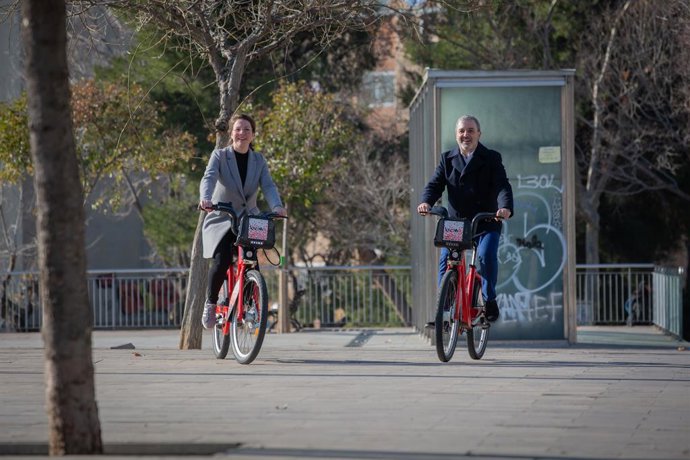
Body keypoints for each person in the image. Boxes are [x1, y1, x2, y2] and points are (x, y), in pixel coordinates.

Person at [417, 115, 513, 322]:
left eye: (470, 130)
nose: (465, 135)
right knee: (446, 260)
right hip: (457, 223)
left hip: (486, 221)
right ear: (456, 134)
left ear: (479, 134)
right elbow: (435, 185)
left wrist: (504, 207)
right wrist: (426, 202)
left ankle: (489, 300)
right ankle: (445, 308)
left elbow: (502, 185)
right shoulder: (447, 158)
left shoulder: (491, 158)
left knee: (486, 256)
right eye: (462, 131)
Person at [199, 113, 287, 329]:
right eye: (238, 129)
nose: (242, 133)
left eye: (247, 129)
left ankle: (249, 304)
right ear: (231, 133)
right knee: (221, 259)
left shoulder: (259, 160)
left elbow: (268, 185)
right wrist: (206, 198)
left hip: (249, 219)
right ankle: (211, 303)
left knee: (252, 263)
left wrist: (276, 206)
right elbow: (208, 178)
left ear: (253, 135)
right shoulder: (219, 156)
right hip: (222, 216)